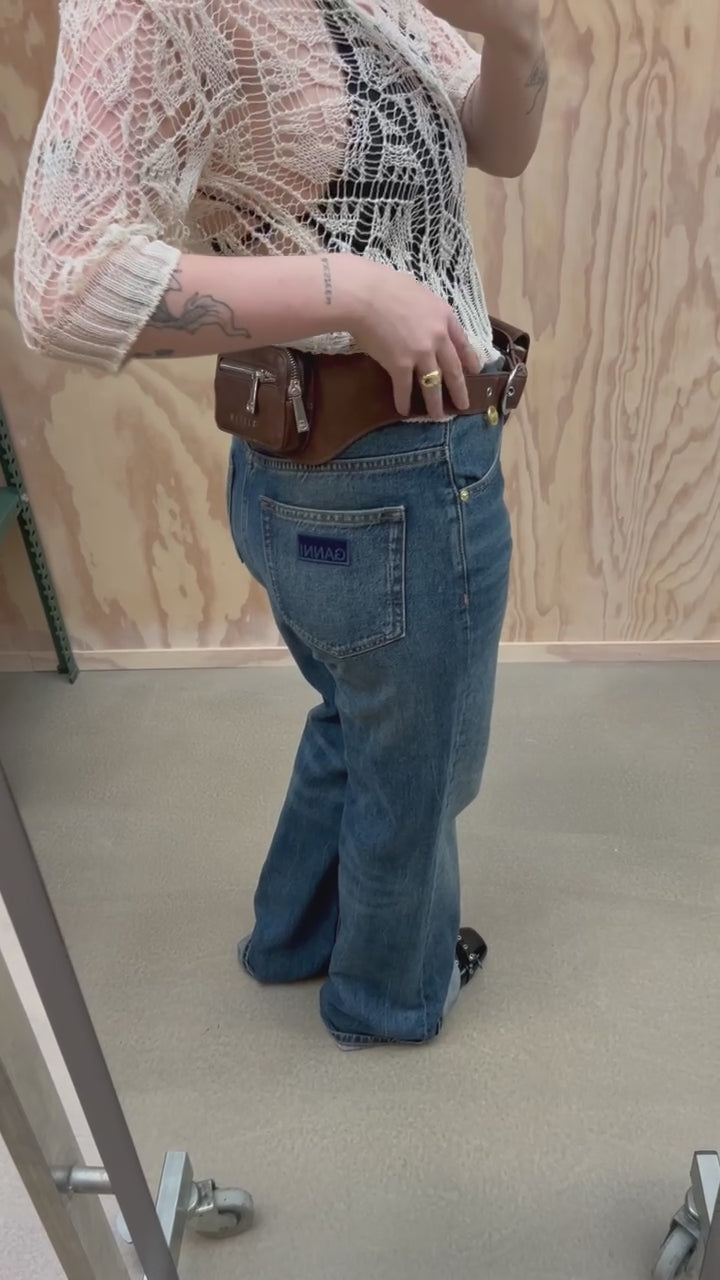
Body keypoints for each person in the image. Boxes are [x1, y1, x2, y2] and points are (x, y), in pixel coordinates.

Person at [14, 0, 548, 1048]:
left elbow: (499, 145)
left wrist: (520, 32)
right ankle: (387, 999)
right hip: (391, 475)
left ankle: (291, 936)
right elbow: (64, 287)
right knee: (423, 766)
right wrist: (350, 289)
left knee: (362, 718)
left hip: (335, 466)